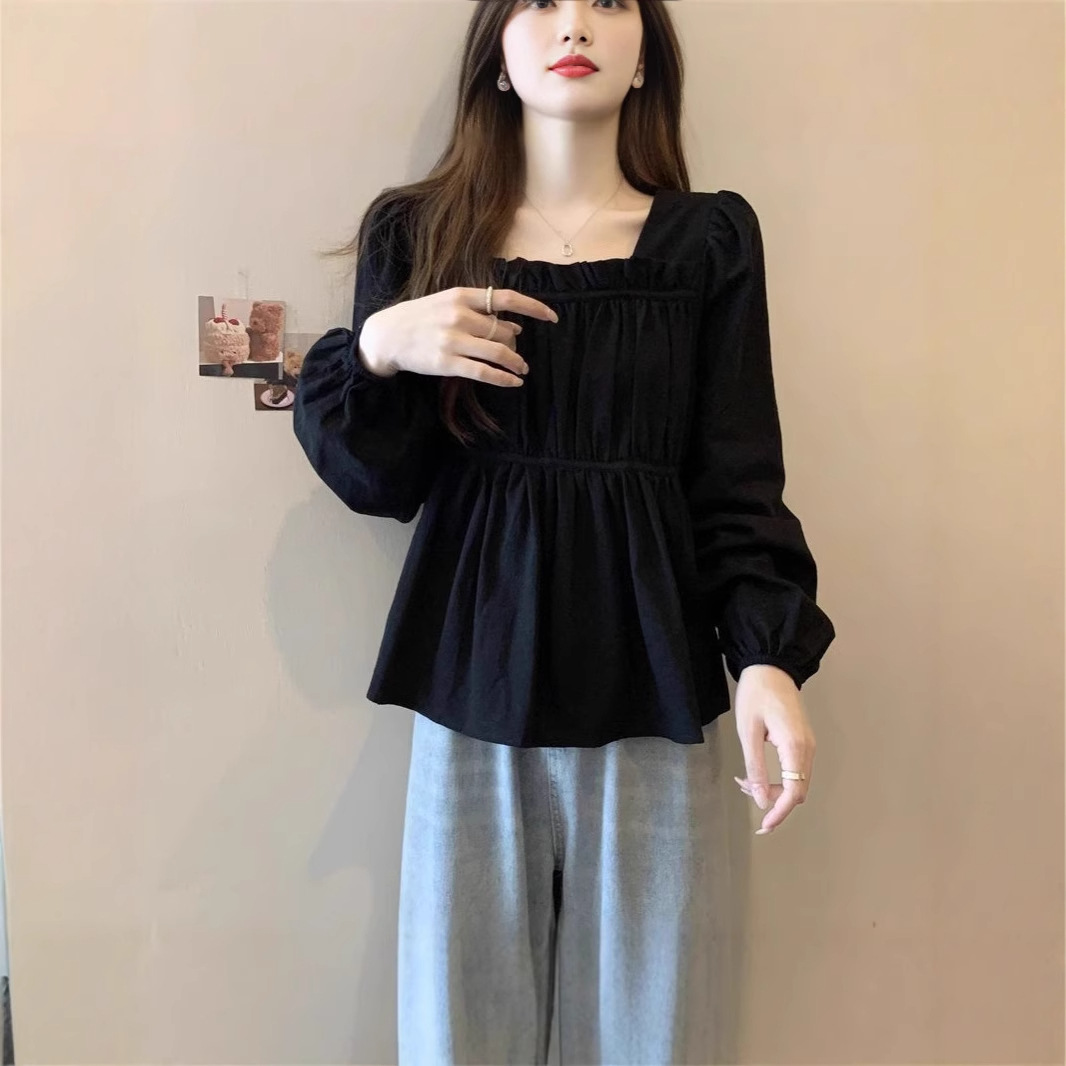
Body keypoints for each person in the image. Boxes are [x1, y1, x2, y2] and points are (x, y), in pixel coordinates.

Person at [293, 1, 836, 1062]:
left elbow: (734, 472)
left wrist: (766, 658)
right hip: (473, 683)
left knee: (652, 1032)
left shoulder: (708, 242)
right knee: (458, 1033)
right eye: (540, 1)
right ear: (496, 57)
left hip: (653, 691)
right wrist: (378, 346)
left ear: (646, 60)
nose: (575, 23)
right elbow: (377, 479)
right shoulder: (419, 236)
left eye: (609, 1)